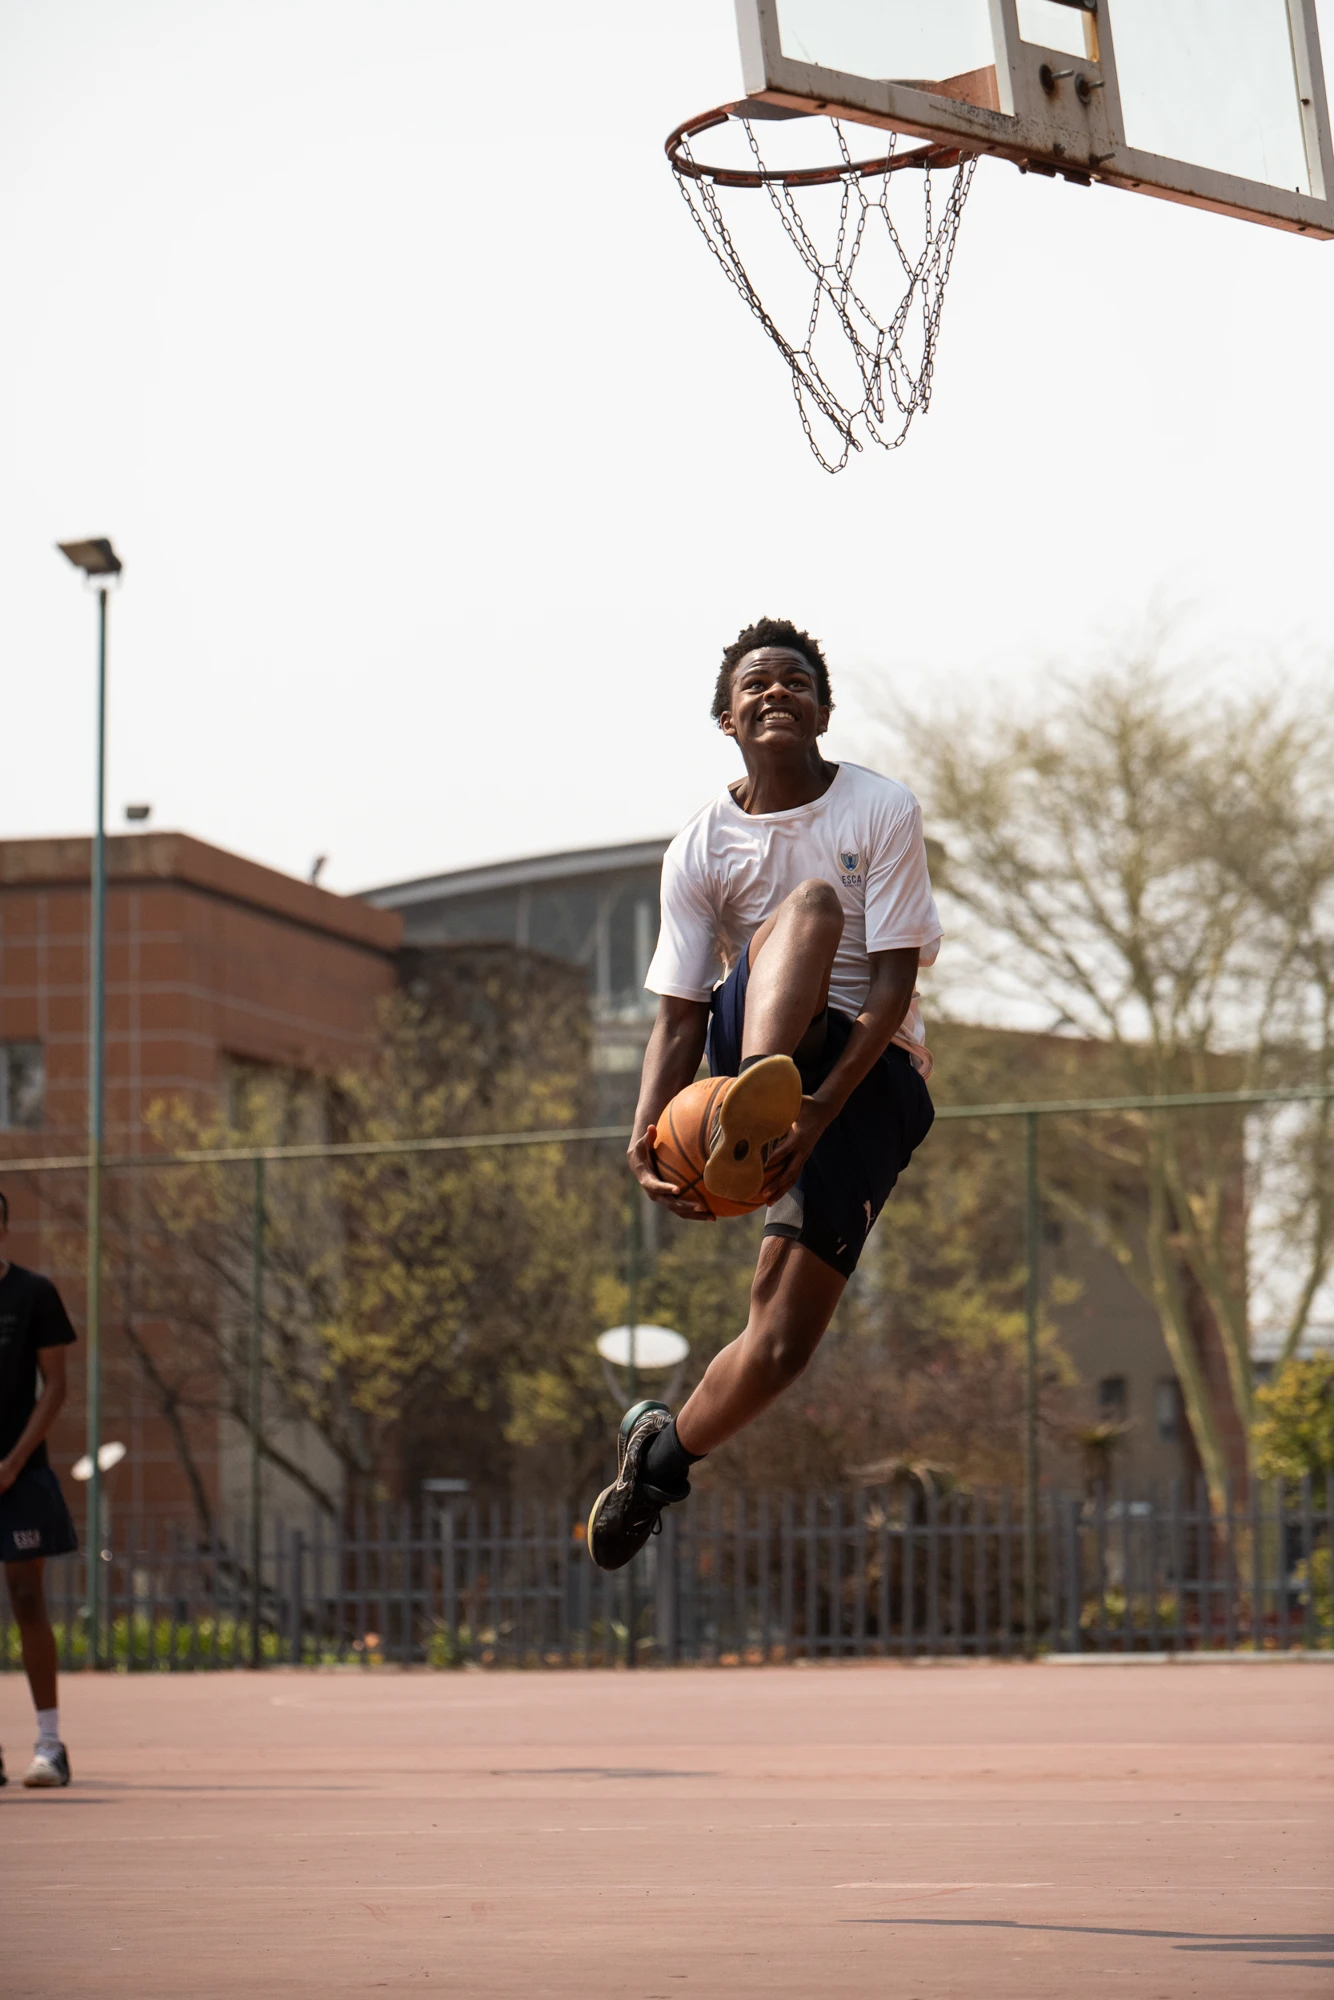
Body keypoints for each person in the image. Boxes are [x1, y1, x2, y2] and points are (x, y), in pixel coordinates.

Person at [588, 617, 941, 1569]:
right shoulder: (702, 847)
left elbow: (896, 982)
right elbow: (677, 1014)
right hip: (757, 1046)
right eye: (755, 684)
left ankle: (655, 1464)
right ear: (725, 718)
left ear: (824, 711)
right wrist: (642, 1134)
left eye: (796, 681)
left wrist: (820, 1107)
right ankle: (753, 1103)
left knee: (782, 1346)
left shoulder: (880, 809)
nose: (776, 692)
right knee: (811, 906)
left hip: (867, 1075)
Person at [0, 1188, 79, 1787]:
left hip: (18, 1472)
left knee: (27, 1600)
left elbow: (55, 1386)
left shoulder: (34, 1294)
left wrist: (12, 1461)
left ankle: (49, 1744)